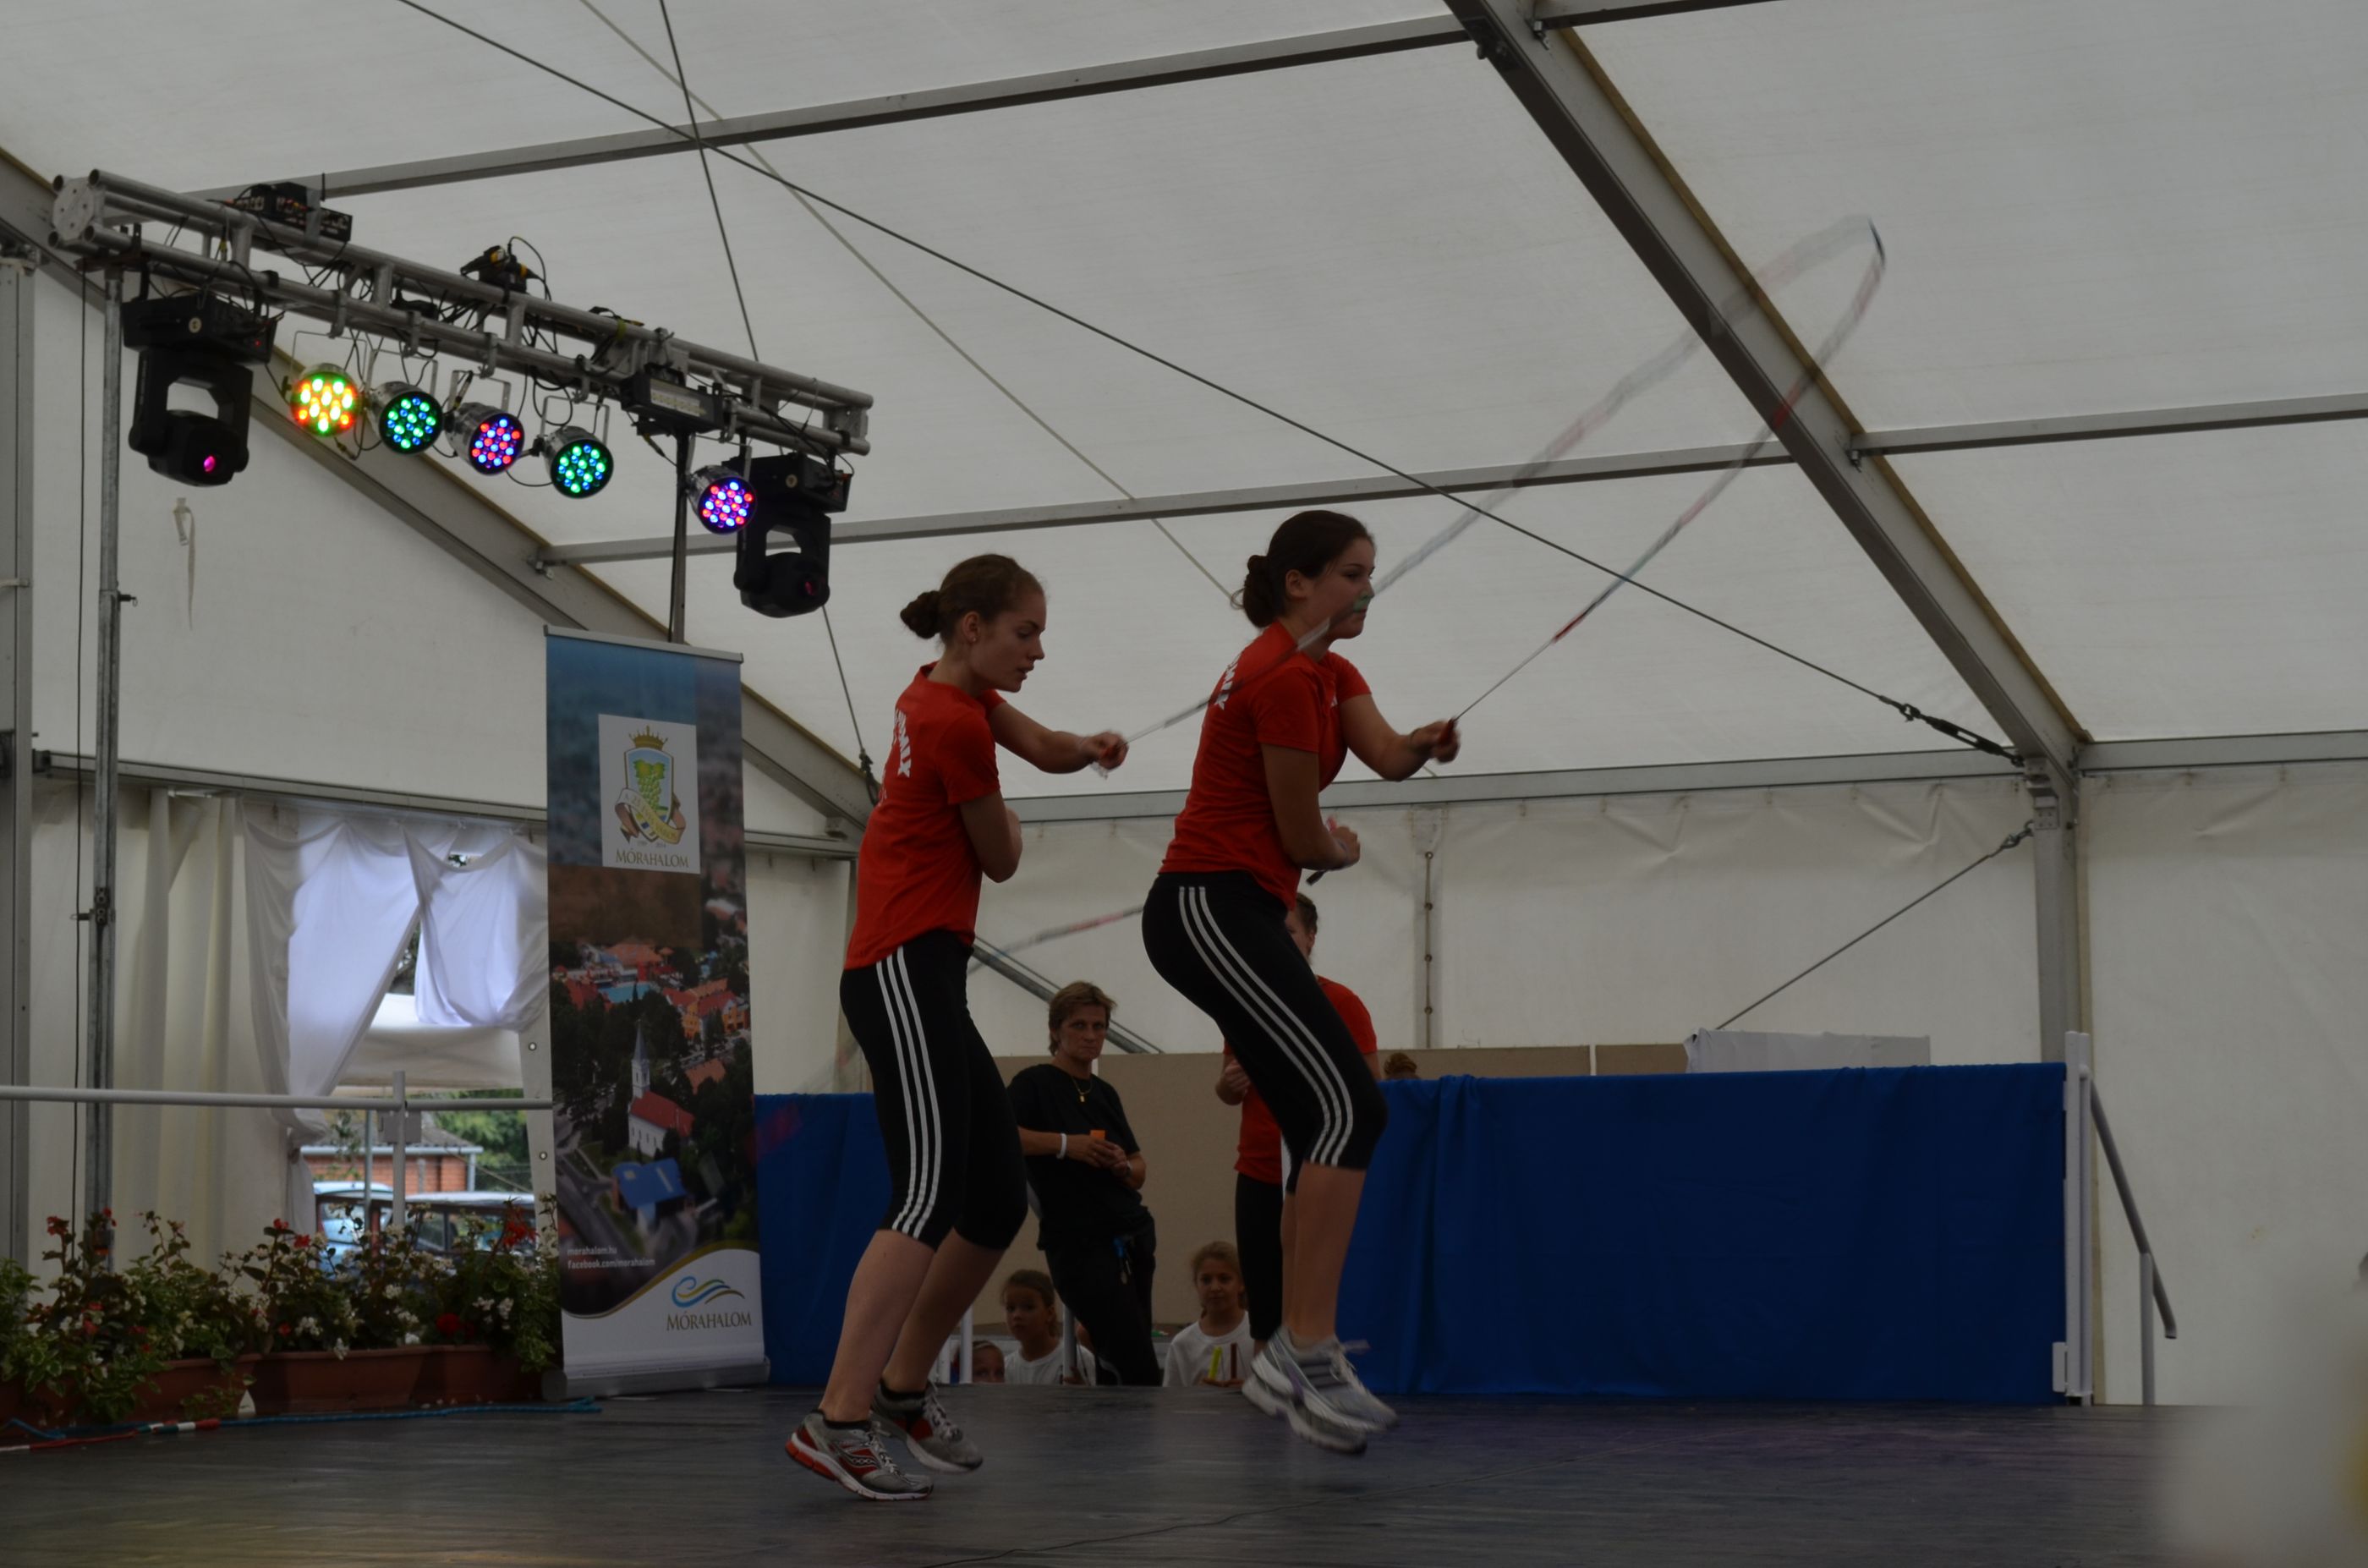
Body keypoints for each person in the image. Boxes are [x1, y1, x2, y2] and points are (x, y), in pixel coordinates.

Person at [788, 556, 1129, 1503]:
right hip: (901, 967)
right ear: (972, 627)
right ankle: (838, 1416)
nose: (1038, 650)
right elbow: (1002, 857)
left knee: (994, 1197)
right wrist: (1012, 815)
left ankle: (902, 1387)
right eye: (1026, 631)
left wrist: (1087, 748)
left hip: (925, 973)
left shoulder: (944, 692)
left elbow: (1043, 742)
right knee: (927, 1194)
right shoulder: (954, 724)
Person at [1141, 508, 1461, 1455]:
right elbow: (1299, 834)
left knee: (1336, 1118)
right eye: (1352, 573)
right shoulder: (1277, 675)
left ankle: (1302, 1346)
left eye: (1371, 572)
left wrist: (1423, 745)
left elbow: (1387, 755)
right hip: (1208, 906)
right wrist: (1341, 851)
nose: (1369, 588)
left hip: (1241, 907)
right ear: (1298, 583)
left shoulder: (1331, 670)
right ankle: (1299, 1348)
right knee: (1350, 1110)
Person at [1214, 894, 1378, 1354]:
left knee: (1316, 1295)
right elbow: (1226, 1090)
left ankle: (1314, 1372)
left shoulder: (1340, 1001)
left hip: (1320, 1168)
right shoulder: (1243, 1000)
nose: (1277, 940)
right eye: (1267, 931)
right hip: (1260, 1168)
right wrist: (1228, 1084)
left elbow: (1372, 1085)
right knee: (1265, 1302)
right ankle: (1268, 1385)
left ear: (1310, 937)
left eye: (1286, 931)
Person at [1006, 983, 1162, 1386]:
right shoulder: (1033, 1083)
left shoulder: (1104, 1092)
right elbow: (1000, 1135)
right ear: (1055, 1030)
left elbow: (1139, 1167)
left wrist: (1121, 1166)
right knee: (1136, 1364)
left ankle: (1118, 1423)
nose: (1091, 1036)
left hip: (1132, 1235)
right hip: (1079, 1240)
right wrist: (1065, 1145)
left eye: (1099, 1026)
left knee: (1129, 1355)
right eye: (1079, 1026)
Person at [1163, 1241, 1254, 1389]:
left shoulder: (1259, 1335)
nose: (1215, 1287)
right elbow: (1171, 1400)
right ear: (1196, 1285)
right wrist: (1198, 1397)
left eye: (1224, 1279)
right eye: (1206, 1280)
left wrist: (1250, 1391)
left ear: (1241, 1284)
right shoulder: (1182, 1345)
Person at [999, 1269, 1070, 1386]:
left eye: (1028, 1307)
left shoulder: (1072, 1360)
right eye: (1011, 1308)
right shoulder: (1006, 1367)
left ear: (1049, 1313)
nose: (1017, 1315)